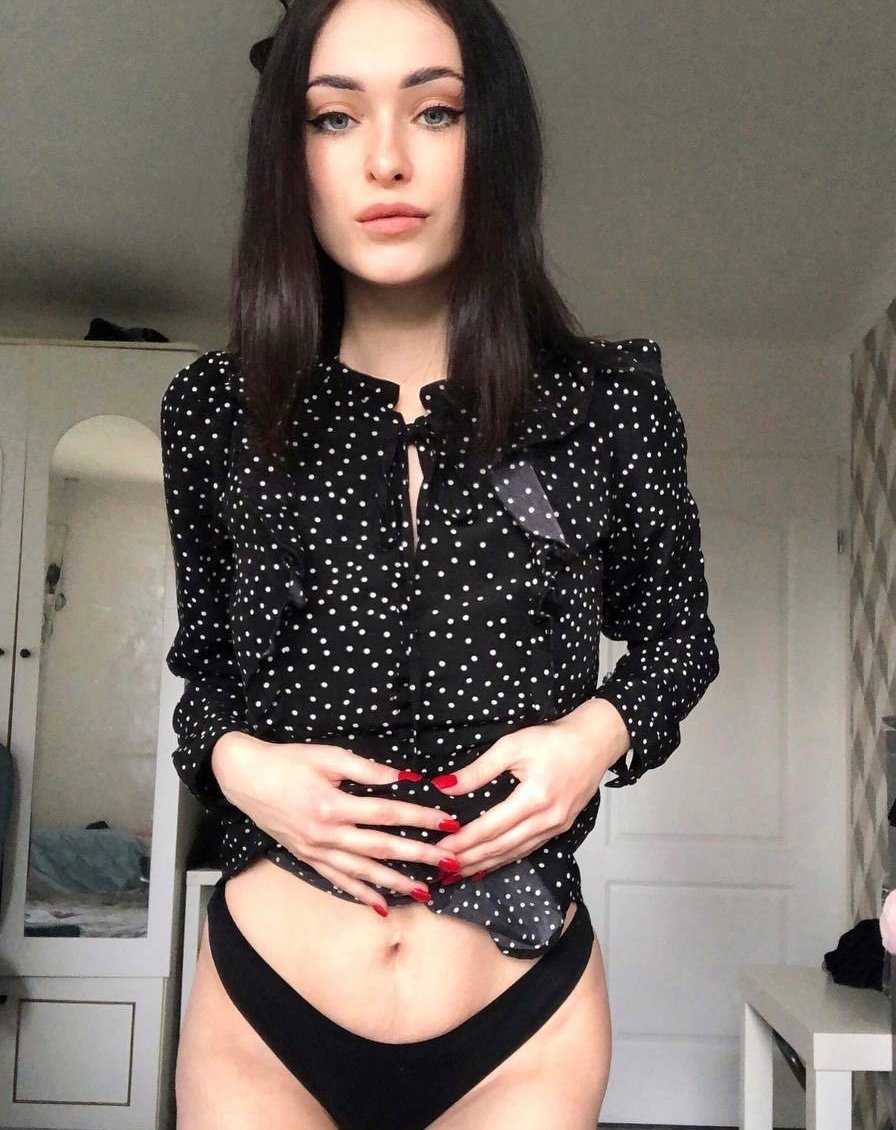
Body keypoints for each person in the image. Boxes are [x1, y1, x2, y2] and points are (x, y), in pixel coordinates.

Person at [166, 0, 720, 1126]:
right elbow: (206, 673)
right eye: (333, 118)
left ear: (494, 136)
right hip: (264, 1013)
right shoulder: (216, 410)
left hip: (521, 1025)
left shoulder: (608, 406)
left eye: (435, 111)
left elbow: (678, 639)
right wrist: (239, 767)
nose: (385, 158)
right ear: (289, 155)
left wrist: (590, 740)